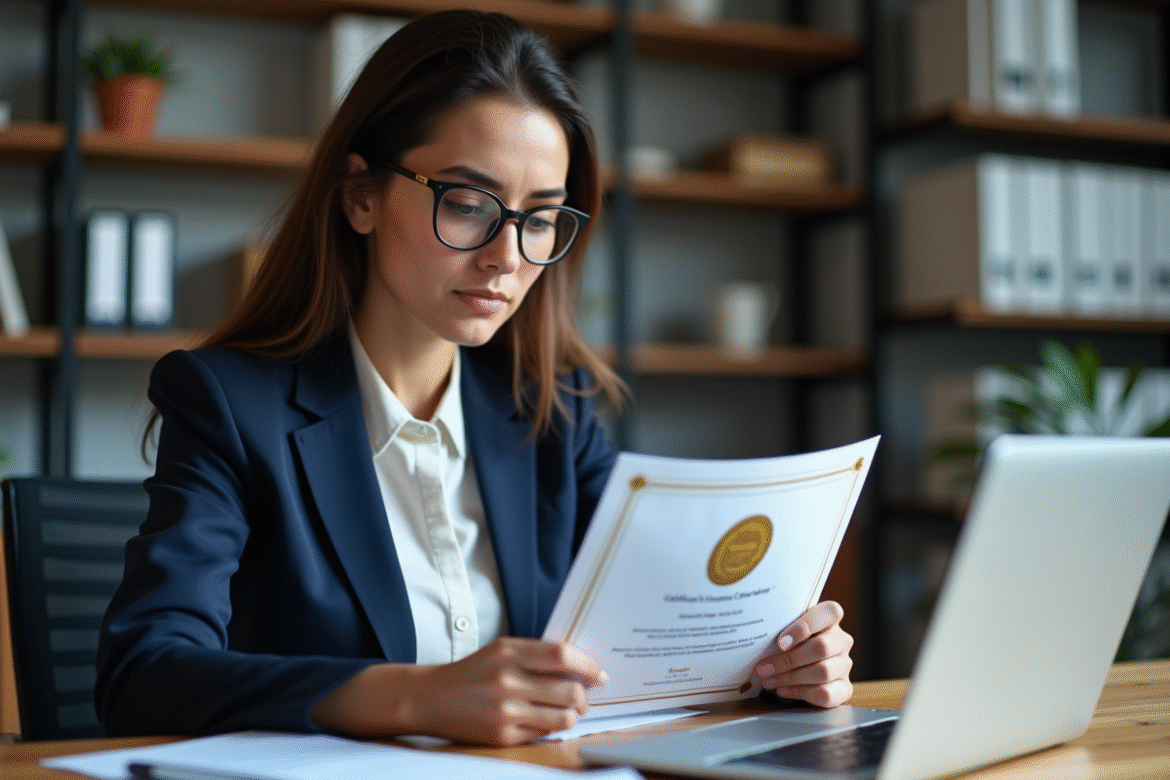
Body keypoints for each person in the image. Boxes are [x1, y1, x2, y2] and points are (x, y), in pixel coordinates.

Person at [95, 9, 854, 747]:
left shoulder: (551, 410)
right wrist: (417, 696)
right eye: (466, 204)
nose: (506, 258)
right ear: (361, 196)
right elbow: (143, 675)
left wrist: (774, 662)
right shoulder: (231, 404)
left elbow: (665, 626)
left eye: (540, 219)